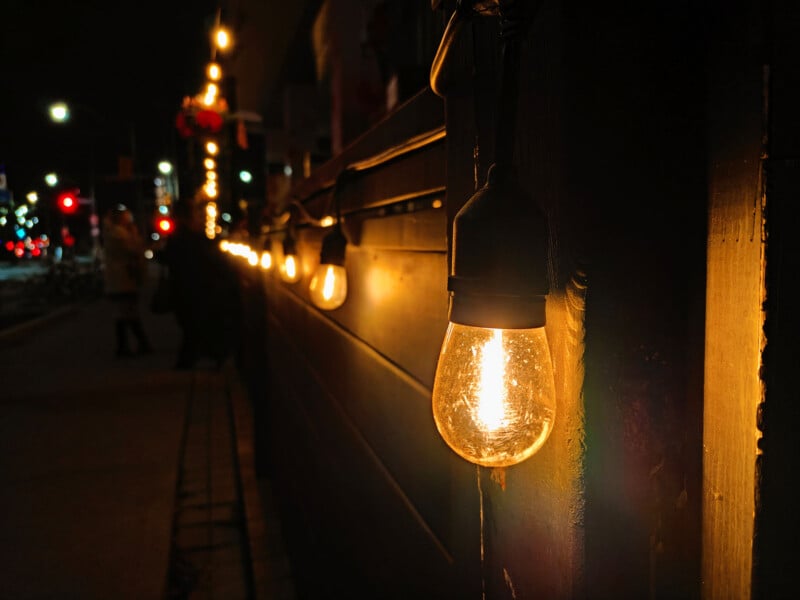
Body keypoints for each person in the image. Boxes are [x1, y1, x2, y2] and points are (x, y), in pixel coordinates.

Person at [160, 199, 241, 369]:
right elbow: (204, 259)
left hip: (186, 289)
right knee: (196, 326)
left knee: (192, 328)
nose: (199, 217)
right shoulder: (187, 236)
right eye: (195, 213)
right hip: (193, 289)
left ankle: (191, 360)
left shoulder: (179, 235)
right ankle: (199, 359)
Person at [102, 204, 153, 357]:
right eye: (125, 216)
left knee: (125, 313)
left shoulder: (114, 232)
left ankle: (127, 345)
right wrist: (135, 234)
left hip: (121, 278)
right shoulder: (119, 234)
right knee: (127, 312)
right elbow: (133, 249)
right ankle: (133, 345)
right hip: (123, 278)